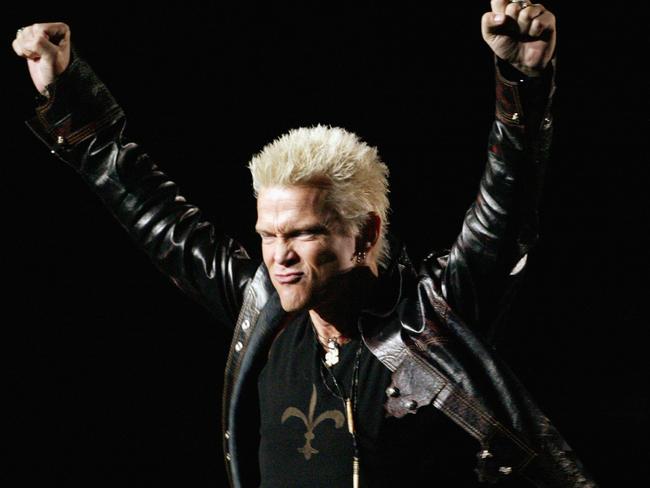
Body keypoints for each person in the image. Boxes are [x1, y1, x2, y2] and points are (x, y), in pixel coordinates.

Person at [12, 1, 597, 486]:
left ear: (364, 234)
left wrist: (521, 83)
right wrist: (66, 92)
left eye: (302, 234)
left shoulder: (435, 313)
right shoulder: (261, 305)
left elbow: (504, 212)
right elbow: (153, 214)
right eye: (268, 235)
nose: (278, 256)